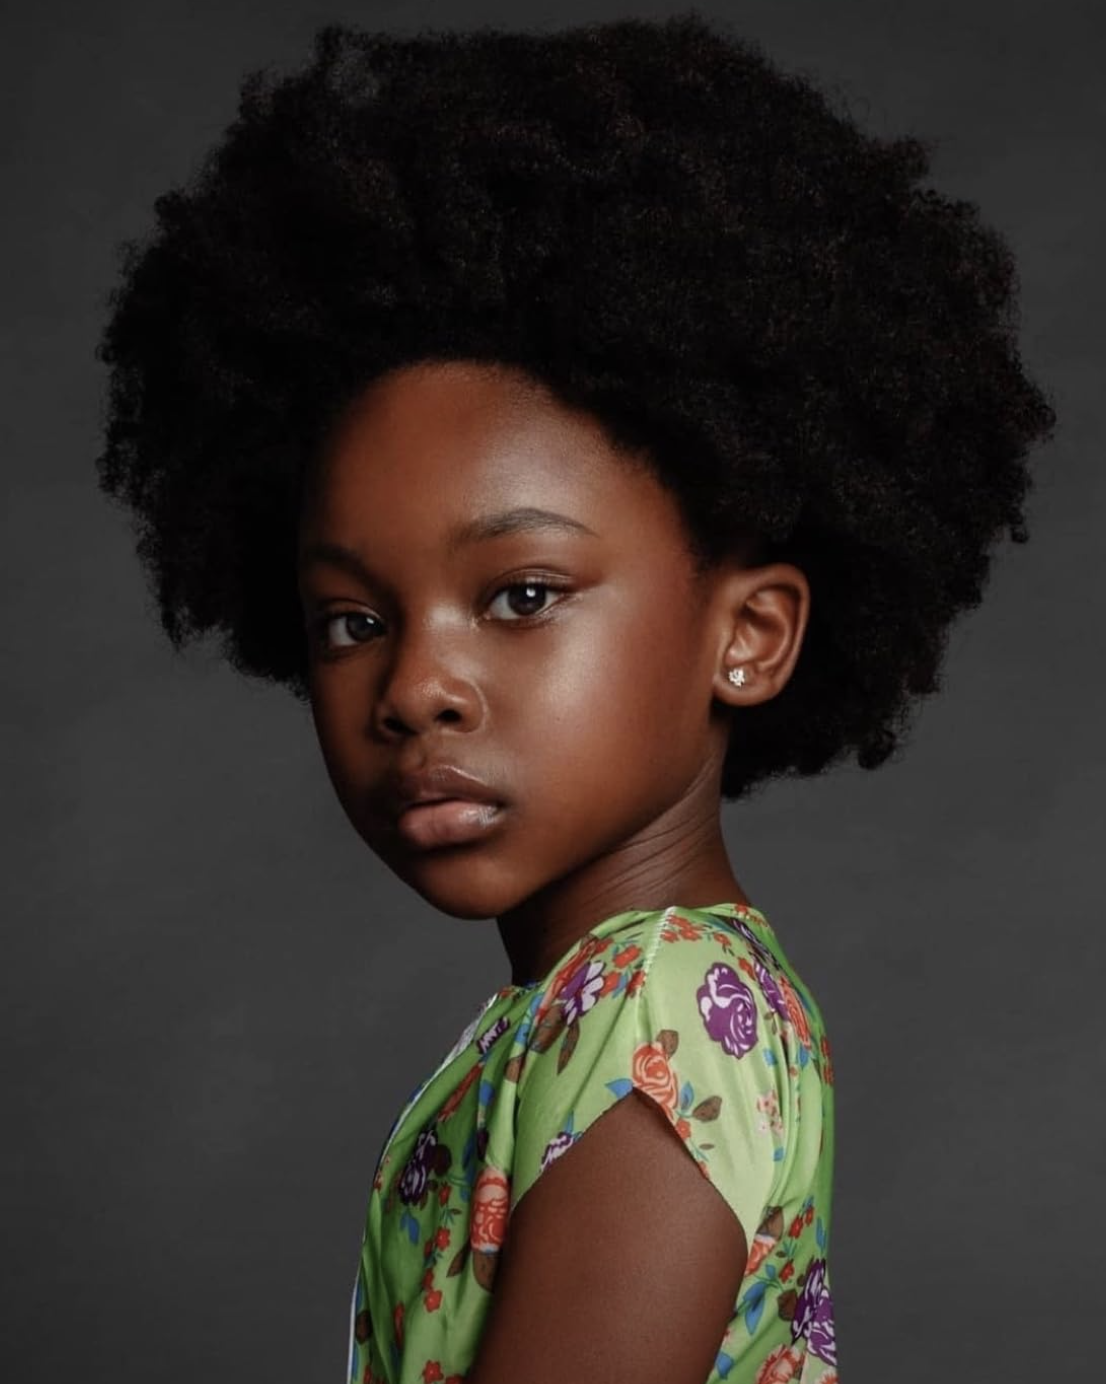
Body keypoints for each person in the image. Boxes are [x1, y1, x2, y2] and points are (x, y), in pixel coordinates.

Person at [92, 11, 1055, 1384]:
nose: (416, 687)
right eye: (353, 620)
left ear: (749, 634)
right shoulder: (584, 1010)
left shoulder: (655, 1015)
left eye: (522, 596)